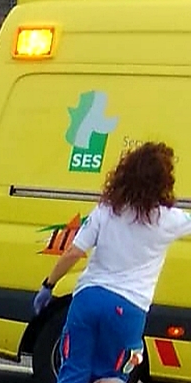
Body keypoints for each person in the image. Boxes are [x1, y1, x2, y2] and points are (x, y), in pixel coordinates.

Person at [33, 142, 191, 383]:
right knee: (112, 376)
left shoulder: (106, 210)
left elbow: (73, 253)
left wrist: (48, 285)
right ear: (164, 181)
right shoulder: (168, 219)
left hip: (88, 299)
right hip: (128, 307)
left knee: (73, 371)